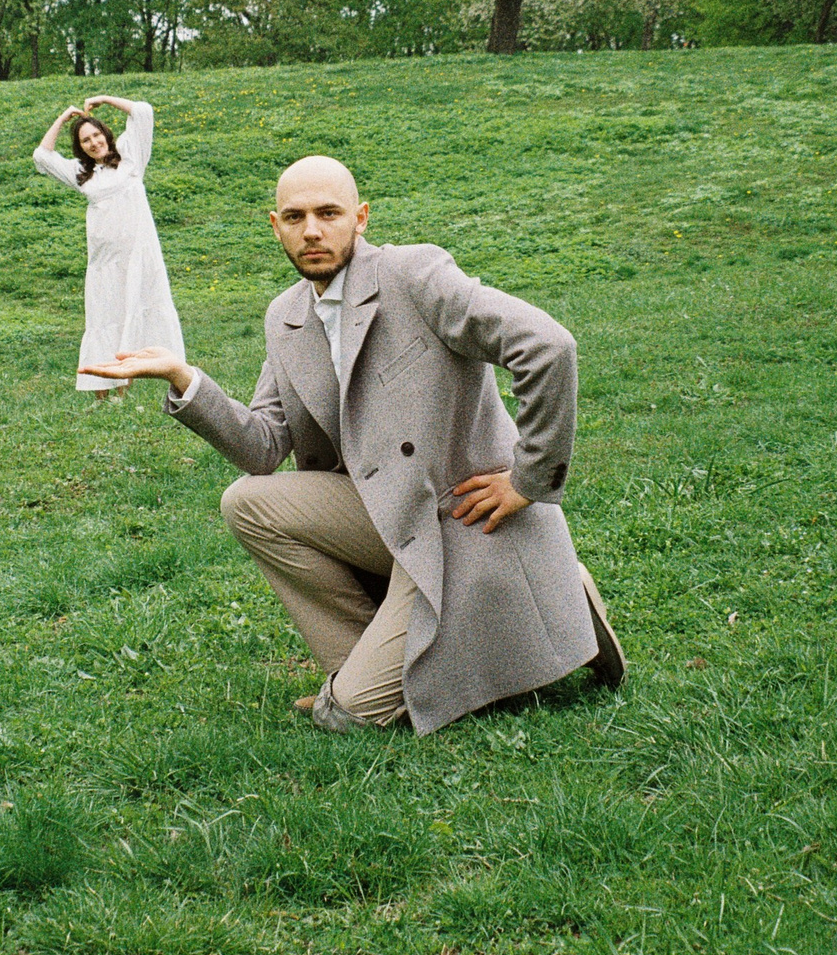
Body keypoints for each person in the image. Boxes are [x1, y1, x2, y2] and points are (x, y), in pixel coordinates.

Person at [83, 154, 624, 735]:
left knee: (350, 719)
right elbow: (262, 448)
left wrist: (528, 480)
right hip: (392, 518)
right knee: (246, 502)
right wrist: (184, 378)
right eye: (295, 217)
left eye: (329, 213)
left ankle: (547, 582)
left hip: (461, 521)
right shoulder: (286, 316)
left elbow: (547, 346)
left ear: (360, 218)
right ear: (275, 226)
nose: (312, 231)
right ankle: (355, 671)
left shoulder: (415, 275)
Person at [33, 95, 186, 401]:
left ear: (106, 134)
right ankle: (103, 395)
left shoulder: (131, 156)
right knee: (105, 319)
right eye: (86, 140)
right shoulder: (81, 173)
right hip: (104, 263)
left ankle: (138, 384)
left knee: (136, 311)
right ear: (80, 147)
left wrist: (104, 99)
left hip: (138, 256)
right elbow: (42, 156)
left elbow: (143, 111)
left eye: (96, 135)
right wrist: (63, 118)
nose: (94, 143)